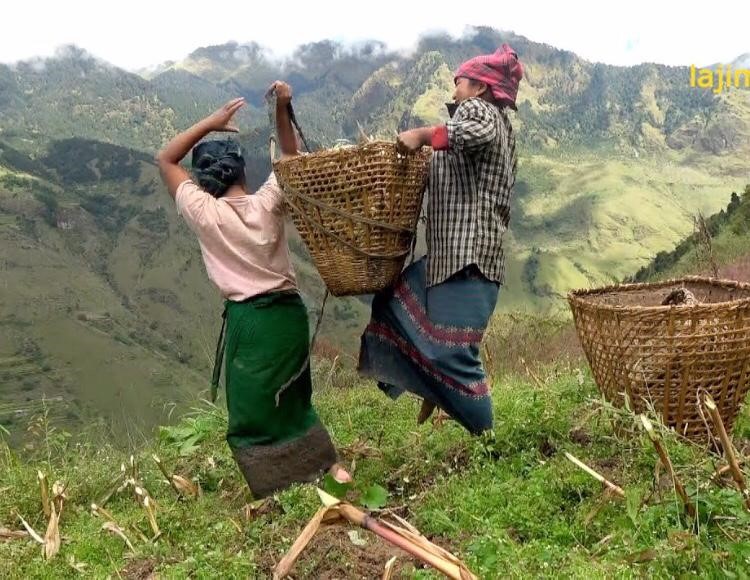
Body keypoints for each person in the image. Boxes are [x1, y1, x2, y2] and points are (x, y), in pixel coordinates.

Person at [155, 82, 351, 497]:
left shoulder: (203, 211)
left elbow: (165, 158)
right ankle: (328, 468)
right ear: (243, 171)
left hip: (251, 322)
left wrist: (211, 122)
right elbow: (291, 158)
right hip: (288, 316)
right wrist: (283, 106)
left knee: (250, 411)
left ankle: (275, 484)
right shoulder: (267, 202)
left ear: (203, 180)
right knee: (295, 398)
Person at [358, 45, 524, 434]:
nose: (454, 93)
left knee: (455, 356)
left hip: (470, 258)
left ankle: (488, 442)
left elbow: (471, 132)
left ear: (480, 88)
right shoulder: (489, 120)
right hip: (452, 256)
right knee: (393, 304)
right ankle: (431, 388)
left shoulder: (480, 113)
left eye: (459, 84)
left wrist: (420, 134)